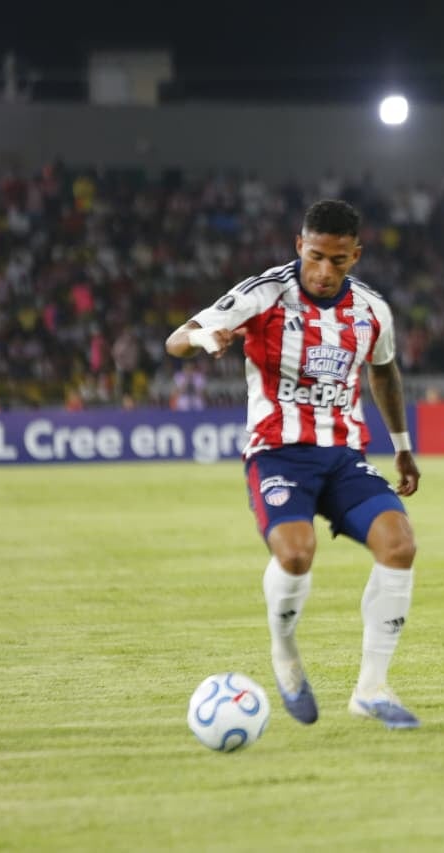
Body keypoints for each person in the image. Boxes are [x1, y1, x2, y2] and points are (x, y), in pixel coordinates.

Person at [165, 199, 423, 731]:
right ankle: (285, 655)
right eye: (315, 256)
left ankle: (371, 689)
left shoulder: (373, 310)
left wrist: (401, 443)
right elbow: (177, 340)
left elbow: (384, 371)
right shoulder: (264, 293)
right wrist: (205, 336)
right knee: (297, 554)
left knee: (399, 544)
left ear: (356, 254)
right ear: (298, 247)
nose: (324, 271)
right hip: (277, 453)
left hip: (344, 457)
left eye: (338, 260)